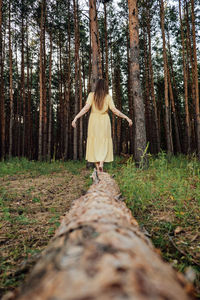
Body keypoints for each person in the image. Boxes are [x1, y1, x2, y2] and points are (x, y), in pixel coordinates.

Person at [72, 79, 133, 172]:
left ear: (97, 86)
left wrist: (76, 117)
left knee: (94, 143)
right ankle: (101, 164)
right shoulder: (107, 97)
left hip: (94, 121)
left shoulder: (91, 95)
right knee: (103, 142)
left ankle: (98, 167)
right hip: (105, 121)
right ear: (105, 87)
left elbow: (86, 108)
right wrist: (126, 117)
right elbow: (114, 110)